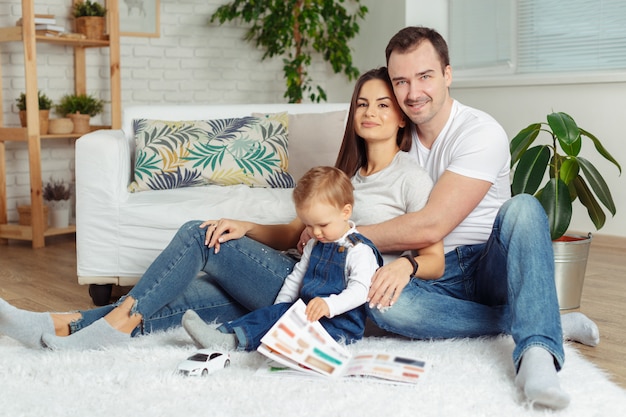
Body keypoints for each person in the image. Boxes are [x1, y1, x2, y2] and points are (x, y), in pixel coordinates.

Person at [0, 67, 443, 353]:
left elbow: (434, 258)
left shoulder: (411, 178)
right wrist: (247, 226)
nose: (370, 112)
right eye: (363, 103)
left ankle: (114, 322)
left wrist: (403, 267)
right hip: (290, 284)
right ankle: (57, 324)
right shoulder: (344, 171)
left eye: (383, 104)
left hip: (324, 301)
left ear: (402, 116)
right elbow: (295, 234)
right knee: (183, 299)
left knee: (199, 233)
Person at [335, 26, 598, 410]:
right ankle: (537, 320)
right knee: (381, 302)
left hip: (489, 263)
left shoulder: (480, 132)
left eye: (425, 76)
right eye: (401, 81)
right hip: (431, 272)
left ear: (447, 75)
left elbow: (431, 225)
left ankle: (538, 351)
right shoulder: (397, 137)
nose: (412, 93)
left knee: (523, 207)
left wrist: (347, 235)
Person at [184, 166, 384, 351]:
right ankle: (222, 334)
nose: (315, 232)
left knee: (281, 320)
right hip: (308, 315)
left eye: (322, 225)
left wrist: (328, 305)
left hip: (339, 326)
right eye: (308, 225)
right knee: (273, 314)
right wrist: (279, 307)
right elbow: (297, 277)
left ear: (345, 212)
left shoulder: (359, 250)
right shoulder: (315, 243)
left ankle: (234, 341)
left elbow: (360, 291)